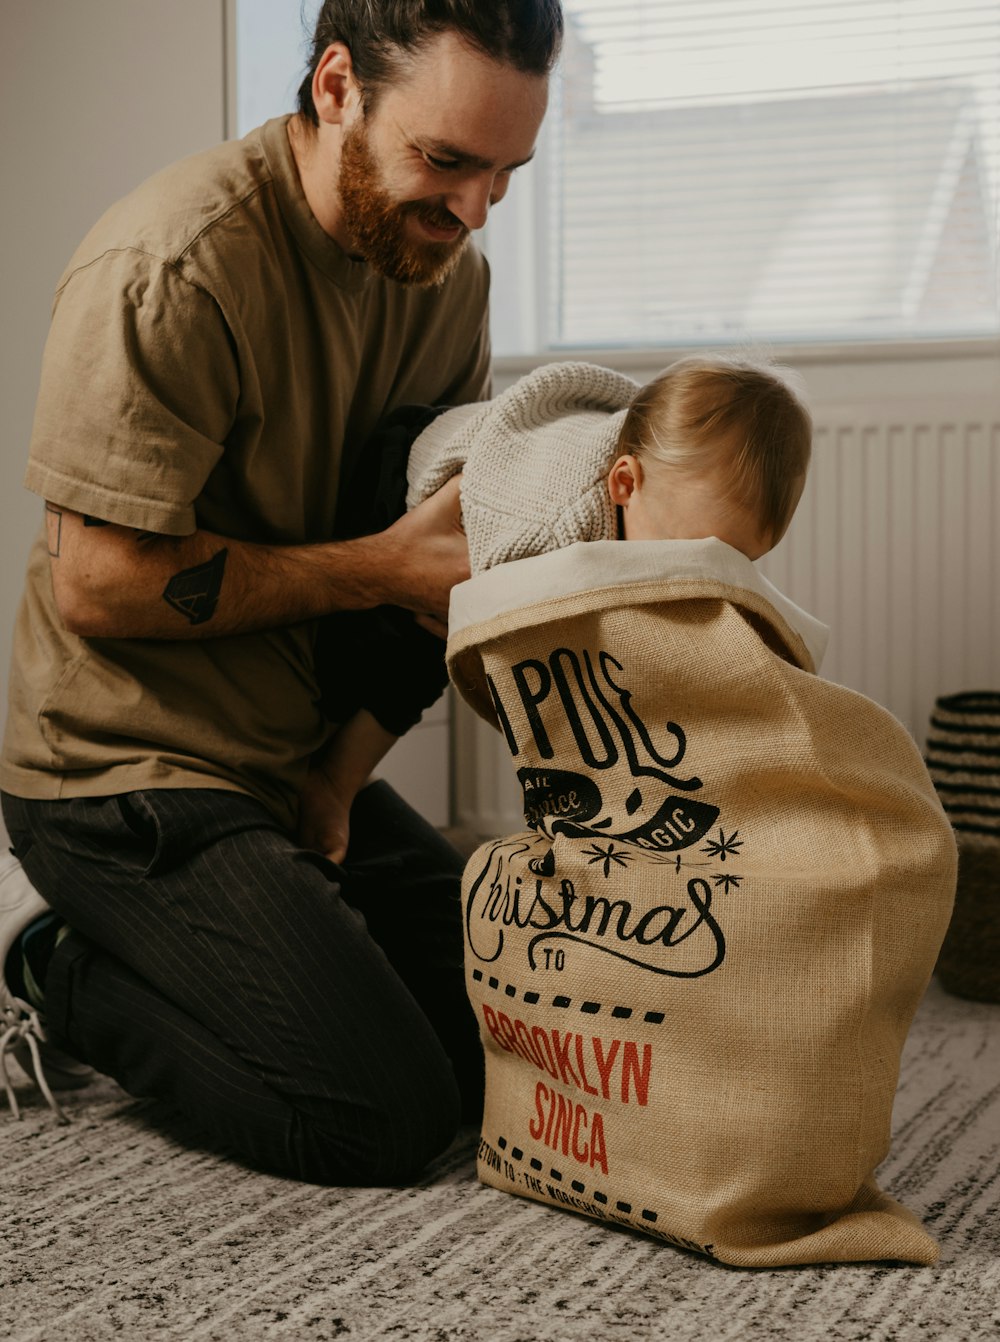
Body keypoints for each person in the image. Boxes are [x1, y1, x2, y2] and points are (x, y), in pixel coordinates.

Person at [0, 0, 562, 1183]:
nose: (471, 211)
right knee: (380, 1119)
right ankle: (51, 958)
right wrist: (375, 567)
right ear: (336, 87)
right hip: (119, 773)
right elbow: (98, 586)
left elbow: (428, 565)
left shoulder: (446, 281)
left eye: (505, 175)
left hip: (286, 756)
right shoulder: (173, 264)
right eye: (446, 161)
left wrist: (335, 781)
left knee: (524, 1051)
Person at [309, 353, 811, 862]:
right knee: (405, 659)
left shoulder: (664, 503)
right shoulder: (549, 532)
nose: (699, 579)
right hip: (403, 482)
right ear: (625, 484)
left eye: (736, 561)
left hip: (524, 484)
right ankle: (332, 782)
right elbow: (512, 663)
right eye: (686, 555)